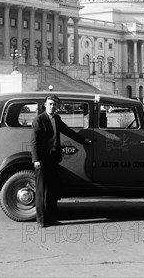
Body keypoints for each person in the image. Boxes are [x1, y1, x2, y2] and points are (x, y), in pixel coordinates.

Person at [31, 94, 91, 227]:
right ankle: (41, 220)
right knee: (41, 191)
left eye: (54, 104)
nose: (52, 106)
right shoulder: (39, 120)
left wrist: (83, 140)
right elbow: (34, 142)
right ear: (45, 105)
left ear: (57, 106)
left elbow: (67, 131)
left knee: (53, 190)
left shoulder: (57, 118)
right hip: (42, 160)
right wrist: (36, 160)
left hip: (54, 159)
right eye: (50, 104)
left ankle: (52, 218)